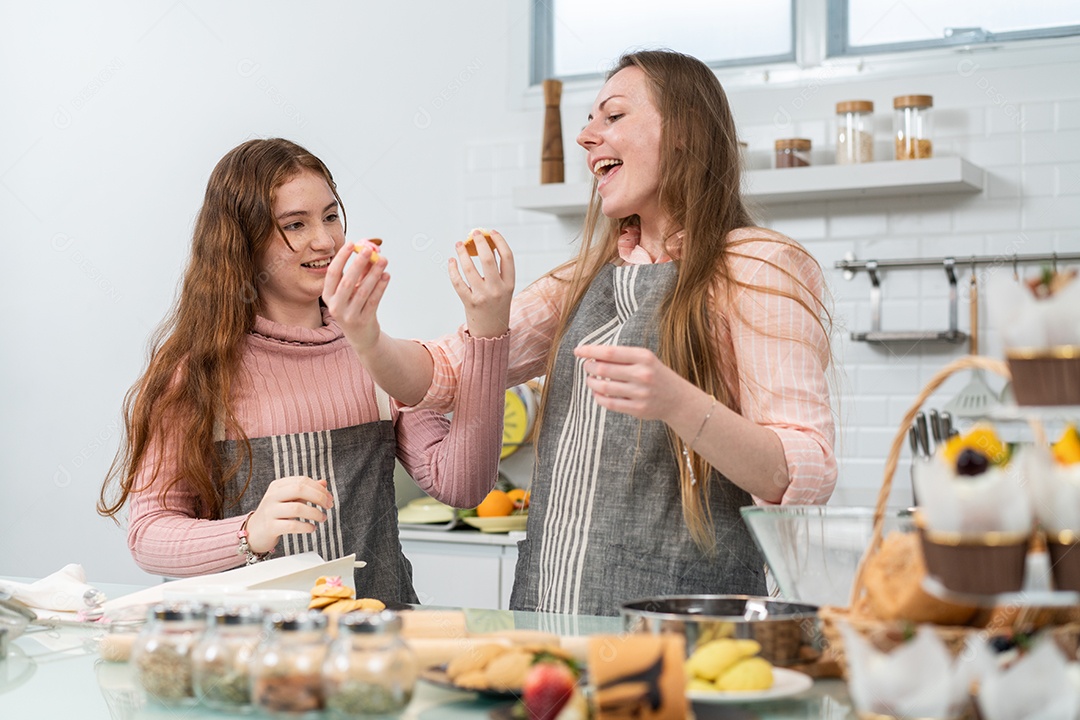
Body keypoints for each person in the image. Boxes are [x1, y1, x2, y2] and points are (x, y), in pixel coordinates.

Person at [328, 50, 837, 616]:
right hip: (547, 617)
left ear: (685, 135)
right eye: (591, 119)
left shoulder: (758, 264)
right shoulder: (580, 283)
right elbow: (444, 375)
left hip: (688, 631)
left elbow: (804, 472)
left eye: (613, 116)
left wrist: (677, 402)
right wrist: (366, 334)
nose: (586, 136)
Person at [98, 138, 512, 603]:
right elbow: (149, 534)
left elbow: (462, 484)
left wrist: (488, 332)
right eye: (296, 224)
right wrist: (250, 531)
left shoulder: (374, 354)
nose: (326, 241)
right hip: (255, 658)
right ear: (243, 242)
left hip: (379, 649)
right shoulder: (194, 373)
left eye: (331, 216)